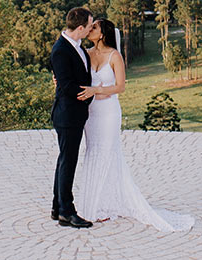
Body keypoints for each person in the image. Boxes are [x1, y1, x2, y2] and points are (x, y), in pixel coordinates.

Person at [76, 17, 194, 232]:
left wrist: (97, 90)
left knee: (107, 153)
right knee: (93, 152)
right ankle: (94, 203)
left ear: (102, 34)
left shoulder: (114, 56)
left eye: (94, 27)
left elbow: (120, 87)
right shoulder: (86, 53)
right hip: (91, 113)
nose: (90, 29)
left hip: (108, 112)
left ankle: (105, 204)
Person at [48, 6, 96, 228]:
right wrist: (88, 96)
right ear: (80, 28)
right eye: (89, 26)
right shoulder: (61, 50)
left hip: (74, 114)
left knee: (65, 160)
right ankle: (67, 212)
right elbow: (66, 86)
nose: (91, 29)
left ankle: (57, 207)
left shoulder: (78, 47)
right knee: (68, 162)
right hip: (67, 114)